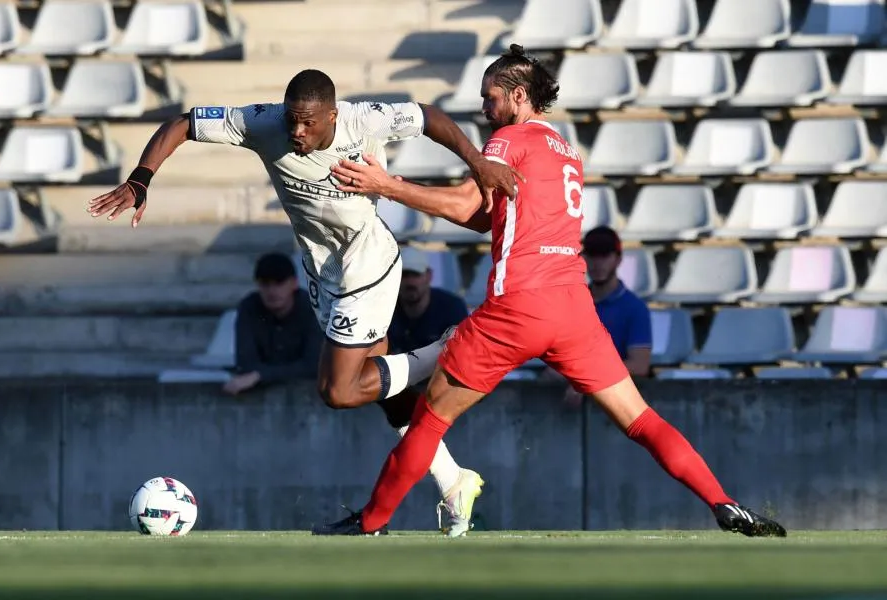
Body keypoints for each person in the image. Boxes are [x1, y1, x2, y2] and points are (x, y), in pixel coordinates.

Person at [314, 45, 786, 538]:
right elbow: (484, 218)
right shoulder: (566, 151)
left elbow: (463, 202)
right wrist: (405, 189)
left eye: (490, 97)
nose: (483, 108)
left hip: (519, 305)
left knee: (429, 420)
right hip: (574, 309)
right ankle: (724, 502)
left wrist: (385, 186)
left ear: (518, 97)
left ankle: (370, 523)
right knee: (641, 419)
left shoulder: (509, 140)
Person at [86, 69, 517, 534]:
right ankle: (454, 482)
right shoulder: (263, 124)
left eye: (308, 123)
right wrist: (140, 179)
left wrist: (477, 162)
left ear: (332, 115)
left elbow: (429, 116)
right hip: (321, 272)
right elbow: (182, 124)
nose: (296, 132)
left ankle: (443, 350)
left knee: (339, 391)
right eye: (292, 120)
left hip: (365, 265)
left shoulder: (364, 121)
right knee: (387, 394)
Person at [552, 226, 652, 407]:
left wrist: (586, 379)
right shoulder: (572, 304)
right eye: (592, 255)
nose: (598, 263)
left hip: (619, 404)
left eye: (605, 256)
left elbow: (640, 365)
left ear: (618, 259)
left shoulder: (635, 308)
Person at [223, 252, 321, 396]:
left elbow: (314, 364)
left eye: (279, 283)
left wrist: (260, 375)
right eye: (265, 285)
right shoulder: (249, 307)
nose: (272, 291)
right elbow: (245, 363)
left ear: (294, 283)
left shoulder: (314, 308)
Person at [388, 246, 469, 354]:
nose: (410, 282)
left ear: (429, 276)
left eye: (416, 274)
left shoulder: (452, 308)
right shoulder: (383, 309)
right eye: (405, 275)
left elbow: (461, 353)